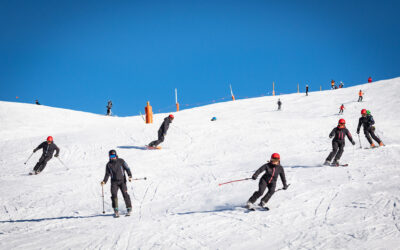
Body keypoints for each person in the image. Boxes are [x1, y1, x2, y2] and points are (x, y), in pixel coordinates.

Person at [101, 150, 133, 217]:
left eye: (114, 156)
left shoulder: (121, 161)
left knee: (125, 194)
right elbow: (107, 174)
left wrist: (130, 176)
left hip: (122, 181)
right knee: (114, 195)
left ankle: (129, 208)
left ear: (116, 155)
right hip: (114, 182)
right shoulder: (108, 165)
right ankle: (116, 210)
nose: (112, 157)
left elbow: (127, 168)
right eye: (111, 156)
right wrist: (104, 181)